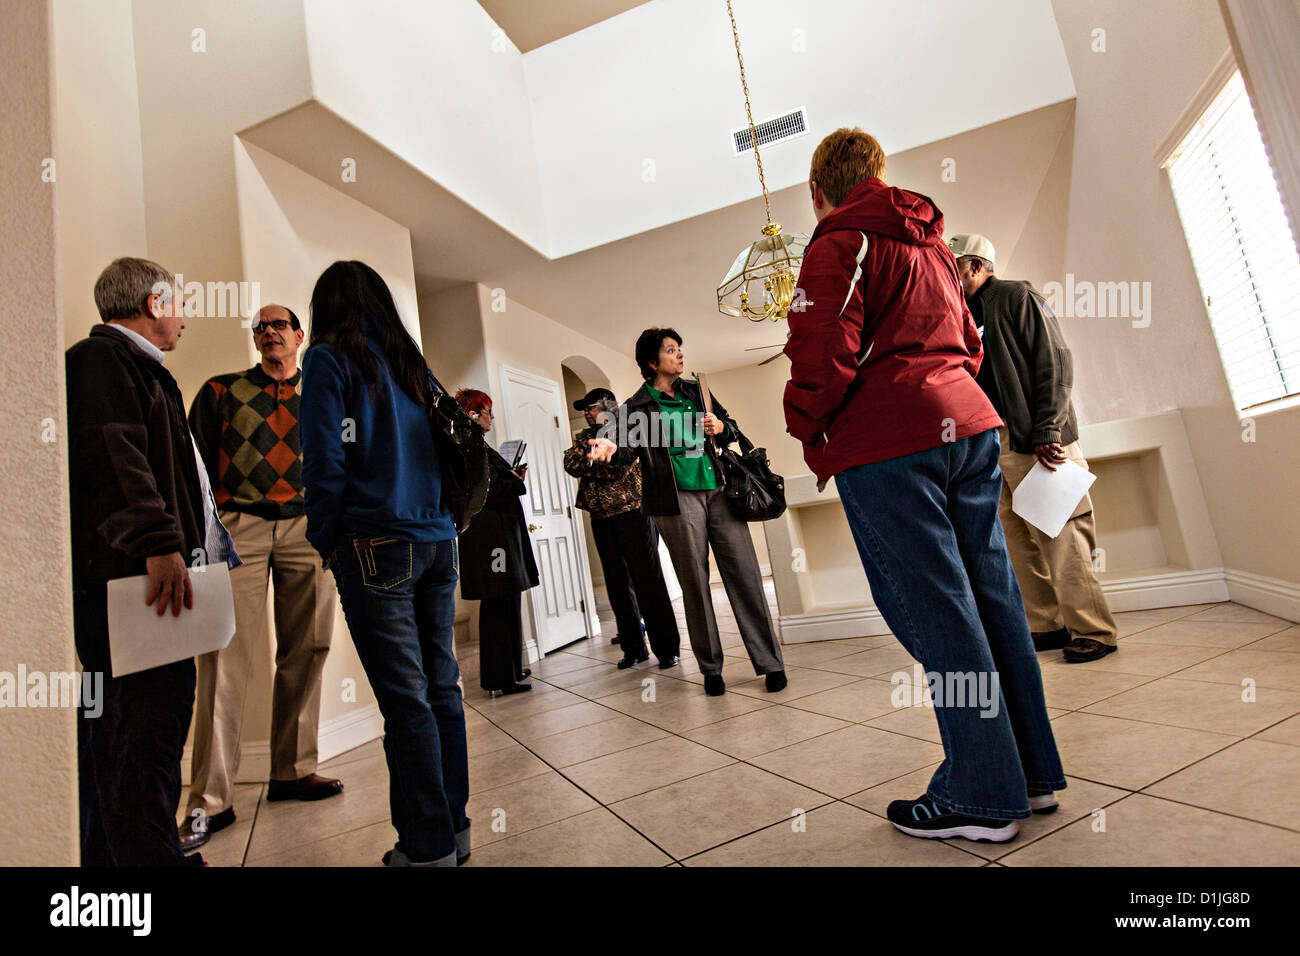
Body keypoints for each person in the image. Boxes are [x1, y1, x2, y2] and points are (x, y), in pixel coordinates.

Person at [781, 128, 1065, 843]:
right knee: (993, 599)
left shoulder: (836, 242)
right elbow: (968, 340)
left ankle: (980, 793)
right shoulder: (934, 244)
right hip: (968, 427)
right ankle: (1027, 776)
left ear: (819, 193)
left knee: (937, 611)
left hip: (891, 441)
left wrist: (808, 425)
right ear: (879, 174)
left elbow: (823, 353)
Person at [66, 256, 238, 866]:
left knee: (123, 741)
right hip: (133, 585)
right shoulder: (102, 361)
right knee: (145, 736)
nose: (185, 318)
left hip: (142, 582)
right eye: (180, 303)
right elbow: (114, 456)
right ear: (156, 304)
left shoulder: (136, 368)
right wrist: (158, 541)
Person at [299, 260, 469, 867]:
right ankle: (455, 830)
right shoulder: (409, 362)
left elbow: (323, 461)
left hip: (375, 544)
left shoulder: (326, 358)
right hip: (437, 538)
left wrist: (326, 538)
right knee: (442, 688)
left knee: (406, 700)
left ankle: (426, 848)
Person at [179, 304, 343, 854]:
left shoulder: (321, 391)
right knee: (223, 658)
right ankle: (208, 801)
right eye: (260, 327)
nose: (269, 333)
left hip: (308, 527)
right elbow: (191, 467)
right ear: (255, 340)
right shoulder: (220, 391)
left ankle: (293, 771)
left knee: (310, 646)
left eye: (280, 326)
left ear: (300, 336)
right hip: (239, 529)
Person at [949, 234, 1119, 663]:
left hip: (1037, 439)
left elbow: (1056, 361)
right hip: (991, 444)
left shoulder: (1017, 295)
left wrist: (1049, 428)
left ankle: (1093, 630)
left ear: (976, 266)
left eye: (957, 267)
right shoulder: (960, 314)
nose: (951, 274)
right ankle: (1046, 623)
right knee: (1016, 537)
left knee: (1060, 533)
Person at [589, 329, 786, 697]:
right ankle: (711, 669)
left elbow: (734, 433)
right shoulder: (637, 407)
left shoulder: (699, 392)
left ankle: (770, 663)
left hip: (721, 494)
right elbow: (626, 453)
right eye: (670, 351)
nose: (680, 356)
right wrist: (608, 449)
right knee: (694, 586)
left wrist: (722, 426)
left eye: (680, 350)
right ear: (652, 362)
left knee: (745, 577)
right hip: (675, 503)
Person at [563, 388, 680, 669]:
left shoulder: (627, 430)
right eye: (584, 409)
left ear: (607, 406)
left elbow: (617, 468)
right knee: (616, 585)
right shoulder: (584, 437)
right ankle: (633, 649)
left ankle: (666, 650)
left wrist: (593, 458)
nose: (586, 413)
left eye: (590, 407)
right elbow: (570, 462)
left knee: (647, 581)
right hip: (601, 517)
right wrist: (593, 456)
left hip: (633, 514)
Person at [454, 388, 540, 697]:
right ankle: (499, 677)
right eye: (487, 411)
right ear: (473, 414)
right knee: (498, 604)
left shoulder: (475, 443)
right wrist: (515, 481)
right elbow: (485, 490)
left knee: (506, 600)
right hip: (491, 538)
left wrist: (511, 477)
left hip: (497, 534)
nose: (491, 417)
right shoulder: (469, 445)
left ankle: (511, 668)